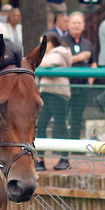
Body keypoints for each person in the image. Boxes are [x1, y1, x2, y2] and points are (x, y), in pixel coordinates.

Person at [34, 31, 73, 172]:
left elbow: (48, 63)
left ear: (49, 44)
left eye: (42, 43)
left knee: (60, 124)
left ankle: (64, 158)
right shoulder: (50, 54)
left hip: (58, 94)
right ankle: (40, 159)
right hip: (45, 93)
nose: (40, 46)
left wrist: (35, 61)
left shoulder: (59, 53)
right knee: (41, 125)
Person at [62, 11, 96, 147]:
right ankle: (62, 149)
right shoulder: (61, 42)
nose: (76, 26)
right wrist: (79, 57)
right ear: (69, 25)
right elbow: (59, 60)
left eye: (79, 23)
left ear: (83, 26)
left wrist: (91, 81)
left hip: (82, 87)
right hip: (65, 87)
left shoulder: (88, 43)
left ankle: (75, 147)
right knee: (62, 118)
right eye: (73, 23)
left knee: (77, 118)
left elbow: (93, 62)